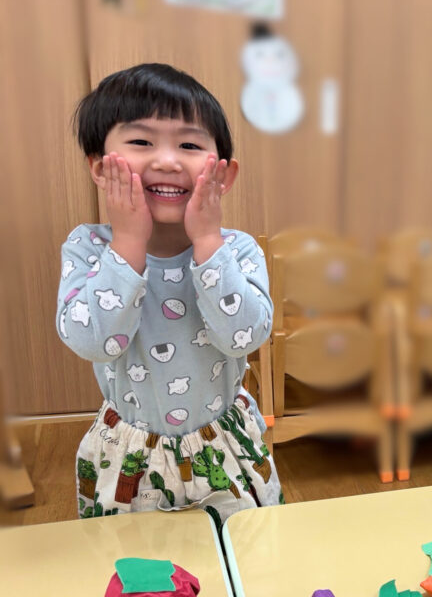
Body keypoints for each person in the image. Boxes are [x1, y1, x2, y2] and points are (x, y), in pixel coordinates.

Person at [57, 63, 281, 518]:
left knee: (248, 557)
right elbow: (95, 343)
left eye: (190, 145)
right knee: (141, 571)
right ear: (100, 168)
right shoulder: (88, 247)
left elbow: (245, 338)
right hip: (132, 455)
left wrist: (207, 243)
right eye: (141, 142)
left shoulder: (237, 250)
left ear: (224, 174)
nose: (167, 160)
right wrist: (128, 244)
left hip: (225, 447)